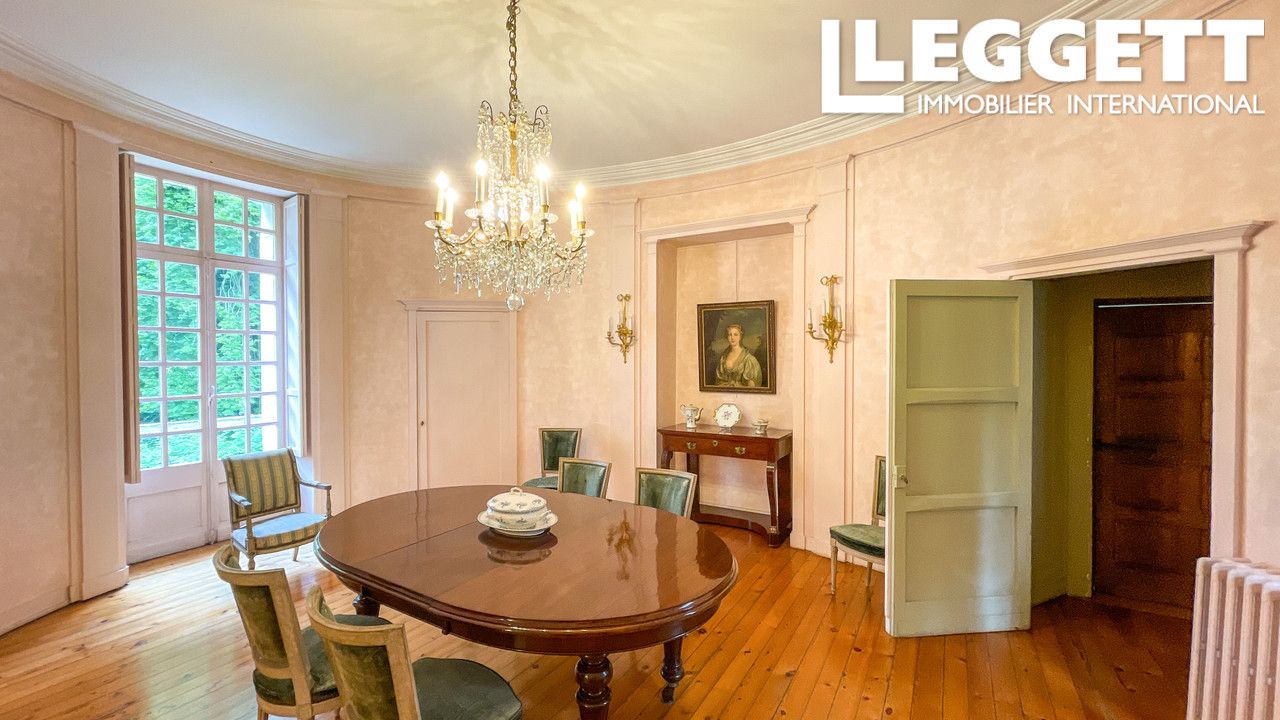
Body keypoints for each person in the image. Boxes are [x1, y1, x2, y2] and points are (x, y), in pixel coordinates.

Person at [715, 323, 763, 387]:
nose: (732, 337)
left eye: (735, 334)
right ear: (727, 337)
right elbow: (718, 381)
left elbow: (751, 387)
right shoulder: (723, 358)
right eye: (729, 335)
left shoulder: (748, 359)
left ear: (740, 337)